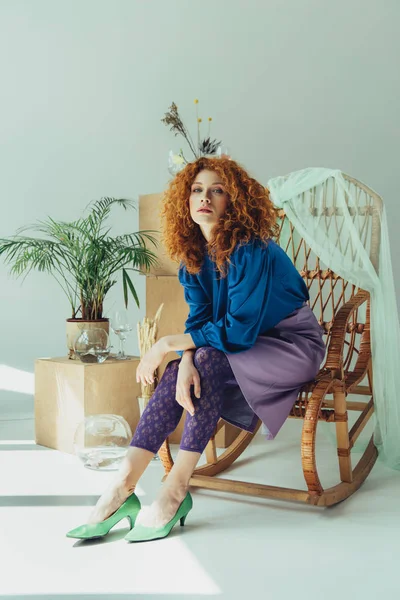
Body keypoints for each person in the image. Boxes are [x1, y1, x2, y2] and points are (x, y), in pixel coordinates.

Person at [66, 156, 326, 543]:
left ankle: (174, 489)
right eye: (197, 190)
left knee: (202, 358)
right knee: (185, 368)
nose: (205, 197)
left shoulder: (250, 249)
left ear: (233, 201)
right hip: (236, 346)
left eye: (217, 190)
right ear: (186, 201)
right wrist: (183, 358)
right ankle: (123, 486)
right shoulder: (193, 259)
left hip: (290, 345)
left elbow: (237, 331)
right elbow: (201, 323)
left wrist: (169, 344)